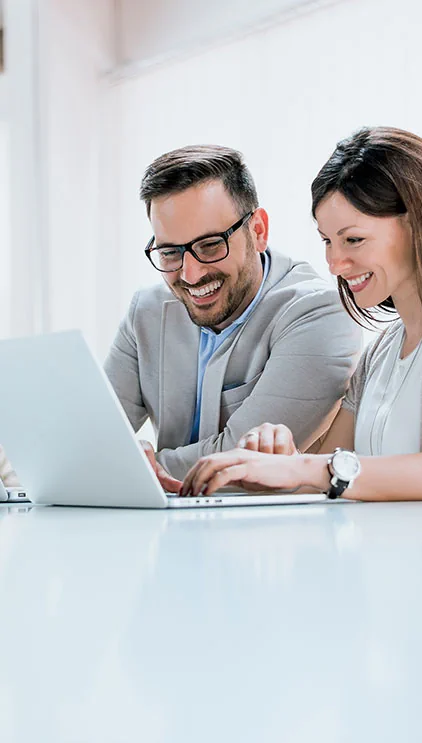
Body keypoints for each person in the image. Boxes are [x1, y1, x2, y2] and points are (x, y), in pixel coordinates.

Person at [179, 127, 422, 502]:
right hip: (413, 564)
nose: (335, 263)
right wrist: (276, 463)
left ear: (420, 223)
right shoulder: (382, 352)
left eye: (353, 239)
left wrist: (306, 468)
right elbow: (327, 477)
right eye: (327, 242)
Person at [104, 145, 361, 490]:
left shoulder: (322, 314)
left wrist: (120, 467)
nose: (191, 274)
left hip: (268, 536)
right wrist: (110, 459)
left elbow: (238, 467)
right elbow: (92, 435)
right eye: (170, 252)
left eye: (210, 245)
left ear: (257, 231)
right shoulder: (146, 311)